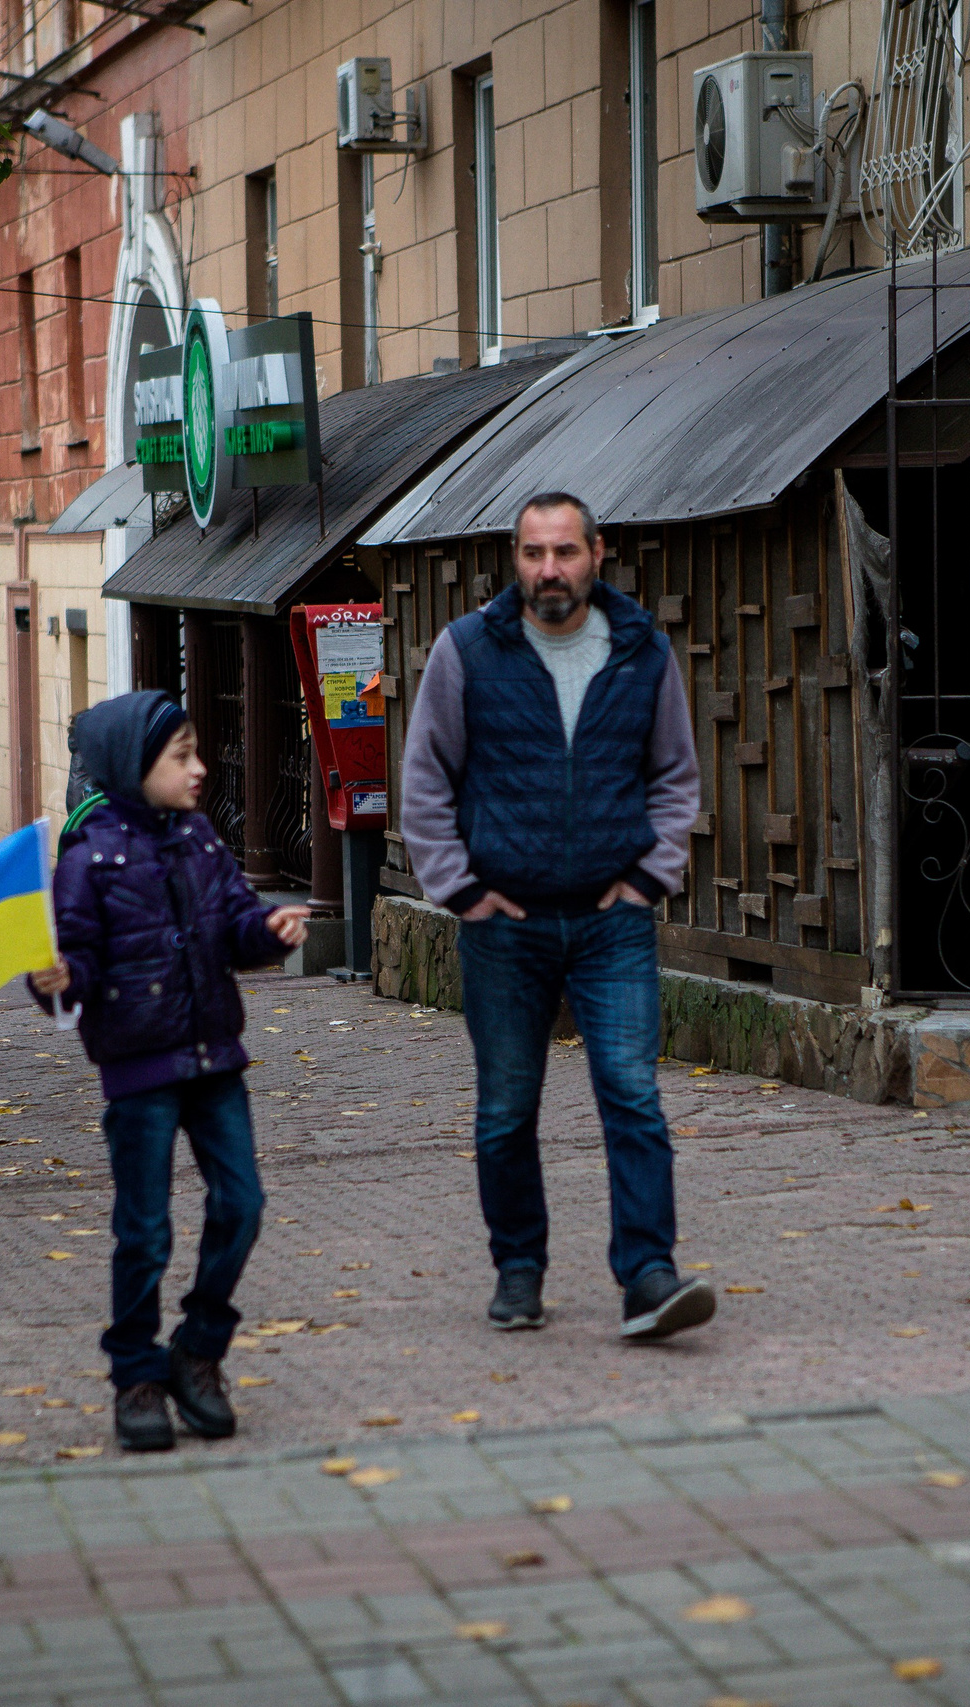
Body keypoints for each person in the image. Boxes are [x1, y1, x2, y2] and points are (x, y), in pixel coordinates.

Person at [400, 491, 713, 1341]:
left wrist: (650, 877)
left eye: (565, 552)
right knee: (507, 1107)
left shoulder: (642, 650)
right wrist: (460, 889)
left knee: (633, 1095)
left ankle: (648, 1275)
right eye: (534, 553)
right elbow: (425, 779)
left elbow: (674, 775)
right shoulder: (468, 650)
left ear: (596, 554)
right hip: (504, 924)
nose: (549, 569)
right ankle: (518, 1269)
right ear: (516, 558)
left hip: (613, 921)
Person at [27, 691, 308, 1453]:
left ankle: (199, 1348)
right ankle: (136, 1377)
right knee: (144, 1231)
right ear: (133, 766)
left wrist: (268, 930)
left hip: (215, 1059)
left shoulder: (202, 840)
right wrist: (56, 979)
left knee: (242, 1204)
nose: (199, 767)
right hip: (139, 1071)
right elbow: (75, 962)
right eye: (181, 755)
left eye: (196, 751)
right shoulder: (88, 860)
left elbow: (237, 925)